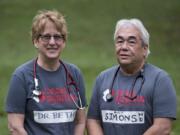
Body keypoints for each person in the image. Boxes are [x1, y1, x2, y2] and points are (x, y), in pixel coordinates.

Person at [87, 18, 177, 135]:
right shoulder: (102, 78)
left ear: (145, 49)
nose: (124, 47)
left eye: (131, 42)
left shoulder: (160, 80)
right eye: (120, 41)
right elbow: (93, 120)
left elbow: (163, 127)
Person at [5, 10, 87, 135]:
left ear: (64, 42)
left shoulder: (74, 74)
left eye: (58, 37)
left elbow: (80, 122)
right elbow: (15, 127)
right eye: (46, 37)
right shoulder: (21, 76)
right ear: (35, 41)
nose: (52, 42)